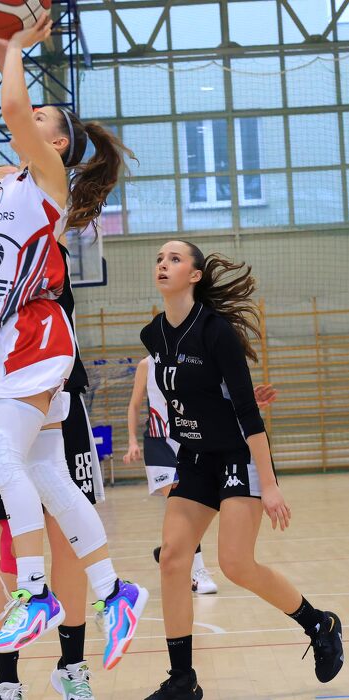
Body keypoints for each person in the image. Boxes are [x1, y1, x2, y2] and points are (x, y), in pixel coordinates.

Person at [0, 12, 148, 677]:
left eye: (46, 117)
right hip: (3, 348)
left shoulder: (48, 178)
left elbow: (15, 107)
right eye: (35, 114)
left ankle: (35, 591)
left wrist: (15, 45)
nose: (29, 117)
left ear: (57, 143)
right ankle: (114, 591)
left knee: (0, 456)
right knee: (45, 473)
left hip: (37, 338)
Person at [0, 21, 103, 700]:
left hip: (47, 383)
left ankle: (71, 667)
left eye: (44, 120)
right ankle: (7, 678)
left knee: (65, 537)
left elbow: (13, 125)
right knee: (6, 543)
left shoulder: (45, 208)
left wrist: (11, 52)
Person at [139, 240, 343, 700]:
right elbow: (194, 395)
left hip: (236, 455)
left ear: (195, 275)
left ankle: (319, 624)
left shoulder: (216, 332)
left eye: (174, 259)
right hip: (194, 457)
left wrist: (269, 486)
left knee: (235, 563)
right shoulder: (153, 335)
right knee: (172, 559)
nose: (163, 264)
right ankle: (182, 681)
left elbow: (248, 415)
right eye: (159, 259)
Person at [123, 357, 277, 595]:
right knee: (182, 504)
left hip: (190, 441)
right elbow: (134, 405)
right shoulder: (147, 365)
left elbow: (206, 400)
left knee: (198, 509)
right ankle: (197, 571)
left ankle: (174, 548)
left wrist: (242, 404)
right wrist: (132, 441)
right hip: (159, 442)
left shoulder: (190, 358)